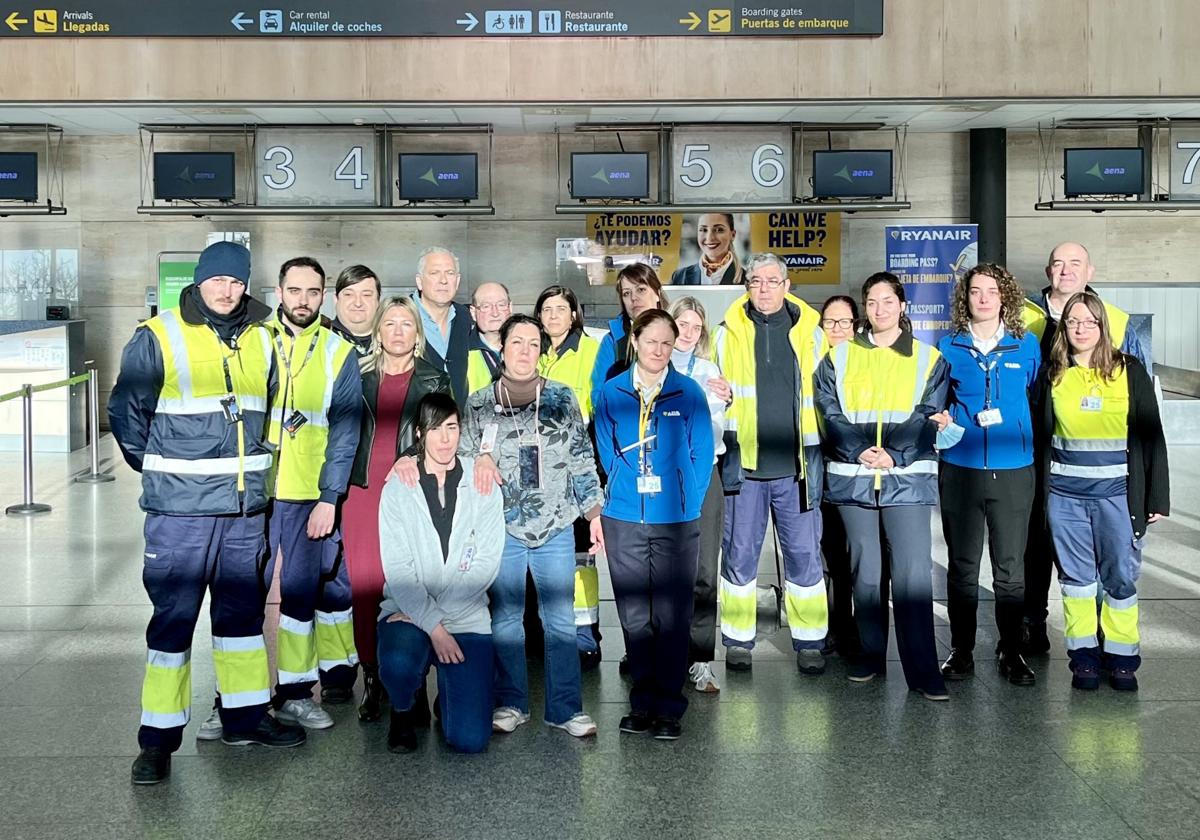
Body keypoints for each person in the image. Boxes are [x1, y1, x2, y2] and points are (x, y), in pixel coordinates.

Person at [109, 241, 305, 786]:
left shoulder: (263, 339)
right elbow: (128, 413)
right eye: (216, 280)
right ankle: (157, 741)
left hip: (244, 513)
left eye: (236, 281)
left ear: (247, 284)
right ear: (198, 282)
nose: (226, 289)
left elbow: (268, 413)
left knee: (241, 623)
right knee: (172, 624)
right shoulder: (159, 335)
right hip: (180, 515)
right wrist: (162, 470)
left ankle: (244, 719)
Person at [458, 314, 603, 738]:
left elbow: (580, 456)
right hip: (501, 526)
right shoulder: (481, 402)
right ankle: (510, 702)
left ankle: (565, 708)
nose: (525, 351)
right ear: (501, 348)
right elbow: (461, 457)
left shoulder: (561, 397)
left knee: (560, 619)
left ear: (542, 351)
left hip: (556, 524)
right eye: (517, 342)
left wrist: (594, 514)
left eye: (534, 344)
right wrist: (477, 460)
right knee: (505, 618)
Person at [813, 272, 950, 701]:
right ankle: (869, 657)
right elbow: (828, 410)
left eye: (887, 301)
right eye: (871, 302)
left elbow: (929, 411)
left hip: (905, 481)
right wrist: (858, 452)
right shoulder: (839, 357)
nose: (879, 309)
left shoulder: (929, 358)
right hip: (854, 483)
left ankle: (923, 671)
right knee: (865, 576)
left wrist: (896, 454)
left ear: (903, 306)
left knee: (911, 576)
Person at [1020, 241, 1151, 654]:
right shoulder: (1023, 316)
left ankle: (1101, 635)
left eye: (1075, 263)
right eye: (1058, 263)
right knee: (1036, 544)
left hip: (1101, 467)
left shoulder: (1115, 319)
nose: (1066, 270)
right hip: (1040, 452)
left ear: (1090, 271)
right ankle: (1033, 623)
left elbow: (1141, 402)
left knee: (1104, 553)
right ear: (1047, 271)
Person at [1034, 290, 1168, 692]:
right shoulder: (1053, 372)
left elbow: (1151, 435)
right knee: (1076, 581)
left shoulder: (1129, 371)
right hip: (1065, 497)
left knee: (1120, 579)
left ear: (1102, 326)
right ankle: (1084, 658)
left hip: (1117, 497)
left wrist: (1156, 497)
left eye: (1089, 321)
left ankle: (1122, 659)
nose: (1080, 328)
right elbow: (1044, 437)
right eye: (1073, 321)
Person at [595, 309, 714, 739]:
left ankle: (669, 705)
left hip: (676, 520)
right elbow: (607, 453)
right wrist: (625, 489)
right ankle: (642, 701)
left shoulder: (689, 393)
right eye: (652, 341)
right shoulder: (611, 392)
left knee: (671, 612)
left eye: (667, 342)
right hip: (624, 516)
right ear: (635, 341)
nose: (659, 350)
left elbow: (702, 455)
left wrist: (685, 500)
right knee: (633, 615)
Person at [255, 257, 362, 733]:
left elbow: (344, 434)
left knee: (298, 597)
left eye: (312, 292)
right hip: (251, 493)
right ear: (279, 291)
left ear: (324, 297)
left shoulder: (340, 353)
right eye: (294, 290)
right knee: (240, 598)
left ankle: (296, 692)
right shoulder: (253, 342)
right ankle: (235, 698)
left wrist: (329, 497)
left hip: (305, 496)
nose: (302, 300)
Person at [714, 253, 830, 675]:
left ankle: (810, 641)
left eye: (771, 281)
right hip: (743, 468)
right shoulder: (724, 334)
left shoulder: (813, 334)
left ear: (787, 283)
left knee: (803, 554)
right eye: (754, 281)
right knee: (739, 554)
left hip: (798, 467)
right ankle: (738, 641)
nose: (763, 289)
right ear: (746, 286)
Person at [377, 393, 505, 753]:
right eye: (435, 429)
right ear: (420, 434)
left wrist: (437, 620)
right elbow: (399, 569)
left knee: (470, 740)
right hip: (411, 612)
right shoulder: (398, 488)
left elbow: (485, 565)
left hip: (465, 617)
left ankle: (449, 696)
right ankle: (403, 709)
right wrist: (433, 627)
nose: (445, 439)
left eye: (452, 428)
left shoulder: (483, 483)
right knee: (400, 661)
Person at [343, 297, 449, 722]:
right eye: (391, 323)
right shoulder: (357, 375)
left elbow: (445, 435)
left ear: (418, 333)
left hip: (412, 493)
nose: (399, 331)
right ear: (378, 331)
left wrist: (414, 453)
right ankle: (372, 680)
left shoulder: (435, 379)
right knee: (367, 590)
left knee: (411, 583)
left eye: (408, 323)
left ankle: (414, 681)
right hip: (363, 493)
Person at [935, 265, 1041, 686]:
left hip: (1014, 471)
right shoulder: (948, 347)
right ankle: (961, 650)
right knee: (962, 565)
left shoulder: (1026, 346)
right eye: (975, 292)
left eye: (991, 291)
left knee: (1010, 568)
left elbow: (1035, 394)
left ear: (1005, 297)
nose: (983, 299)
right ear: (965, 299)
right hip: (961, 469)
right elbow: (936, 402)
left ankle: (1011, 650)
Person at [536, 284, 604, 669]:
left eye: (561, 309)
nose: (553, 316)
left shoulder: (591, 352)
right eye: (546, 309)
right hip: (539, 472)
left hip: (575, 464)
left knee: (580, 555)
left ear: (574, 314)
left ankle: (585, 635)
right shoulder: (536, 351)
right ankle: (552, 632)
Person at [667, 296, 727, 693]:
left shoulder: (710, 373)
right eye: (681, 324)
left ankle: (701, 659)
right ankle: (662, 655)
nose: (687, 333)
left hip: (704, 476)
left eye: (695, 327)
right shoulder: (652, 368)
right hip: (662, 480)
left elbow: (716, 429)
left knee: (704, 573)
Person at [818, 294, 862, 658]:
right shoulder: (814, 363)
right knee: (831, 552)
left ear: (856, 326)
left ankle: (860, 625)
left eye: (844, 322)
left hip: (862, 472)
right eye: (829, 322)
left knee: (859, 553)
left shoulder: (865, 363)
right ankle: (836, 625)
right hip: (823, 467)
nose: (836, 329)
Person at [590, 262, 669, 410]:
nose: (634, 298)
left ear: (657, 293)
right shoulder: (613, 340)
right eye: (626, 293)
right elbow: (599, 395)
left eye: (641, 289)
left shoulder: (679, 331)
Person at [413, 247, 473, 401]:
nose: (443, 280)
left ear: (457, 281)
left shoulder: (465, 318)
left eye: (450, 273)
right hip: (414, 421)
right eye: (434, 273)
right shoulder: (401, 316)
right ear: (419, 281)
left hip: (457, 421)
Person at [671, 213, 744, 286]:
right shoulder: (679, 277)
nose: (710, 238)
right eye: (703, 230)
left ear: (733, 235)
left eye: (719, 230)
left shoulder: (747, 279)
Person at [466, 282, 510, 393]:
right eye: (486, 306)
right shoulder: (461, 352)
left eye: (501, 305)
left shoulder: (529, 346)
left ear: (510, 308)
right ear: (473, 312)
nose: (495, 313)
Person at [331, 264, 381, 358]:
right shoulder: (319, 340)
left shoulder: (392, 340)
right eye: (349, 294)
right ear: (336, 299)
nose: (358, 303)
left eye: (366, 295)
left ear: (378, 300)